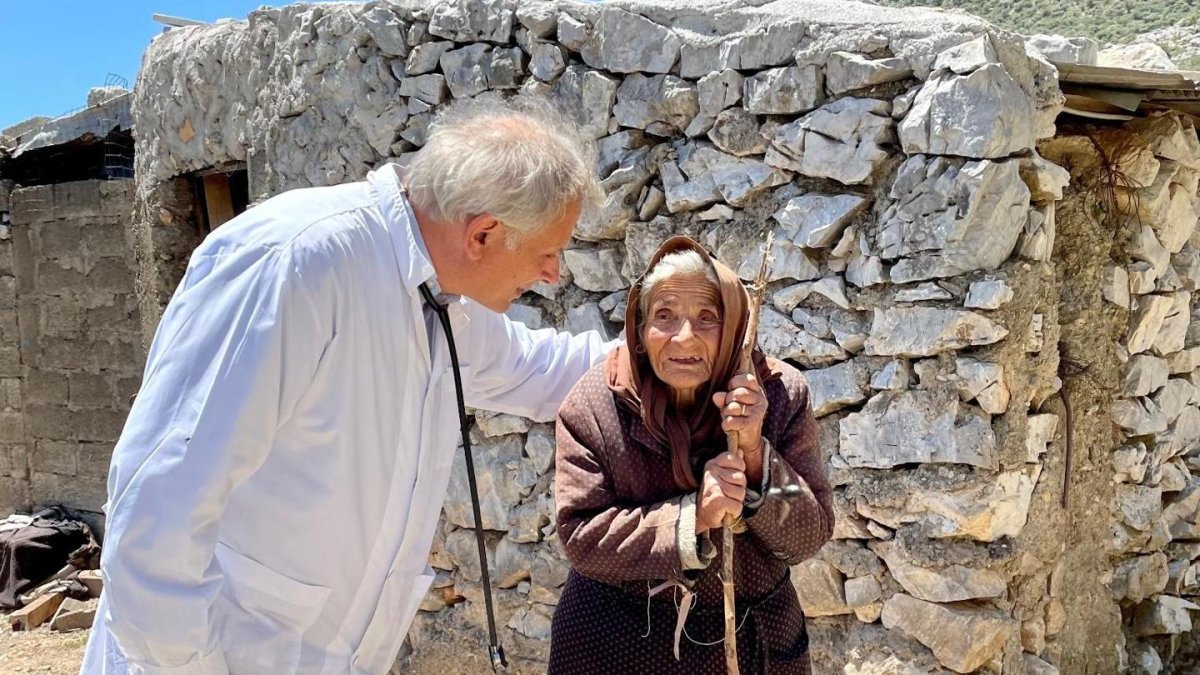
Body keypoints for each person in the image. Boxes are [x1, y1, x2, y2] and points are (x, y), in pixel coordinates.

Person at [81, 98, 615, 675]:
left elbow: (544, 369)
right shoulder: (295, 263)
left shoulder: (439, 295)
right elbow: (159, 507)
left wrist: (697, 350)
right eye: (547, 252)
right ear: (482, 234)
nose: (553, 275)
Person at [550, 236, 834, 675]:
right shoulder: (593, 407)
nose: (684, 336)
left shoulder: (777, 395)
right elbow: (582, 538)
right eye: (664, 316)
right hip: (616, 645)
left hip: (752, 641)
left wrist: (757, 453)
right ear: (641, 332)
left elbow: (807, 536)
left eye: (707, 318)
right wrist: (693, 518)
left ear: (735, 328)